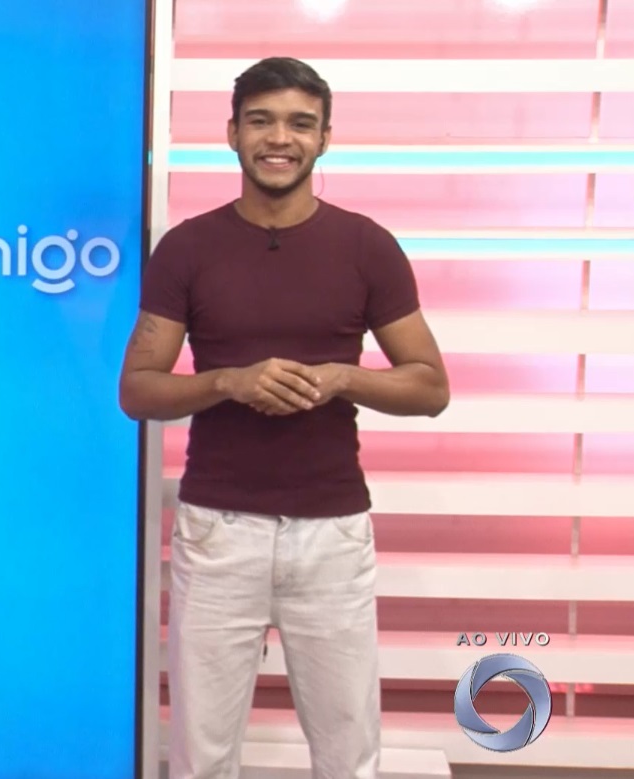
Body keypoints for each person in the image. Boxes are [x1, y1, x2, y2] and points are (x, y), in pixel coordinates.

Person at [119, 57, 449, 778]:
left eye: (300, 123)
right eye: (261, 121)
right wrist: (227, 382)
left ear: (324, 137)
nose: (279, 138)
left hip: (332, 532)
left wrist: (341, 378)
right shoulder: (187, 248)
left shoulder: (367, 246)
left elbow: (430, 387)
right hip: (218, 532)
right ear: (231, 133)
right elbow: (138, 390)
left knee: (347, 755)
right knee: (202, 755)